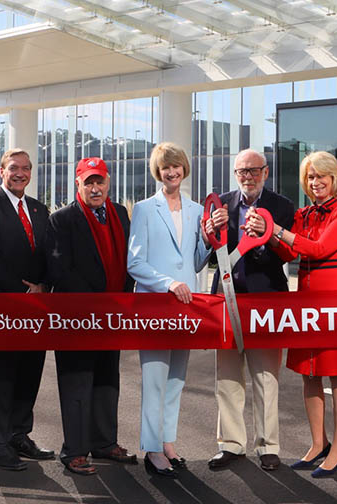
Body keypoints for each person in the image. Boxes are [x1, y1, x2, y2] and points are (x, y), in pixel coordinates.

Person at [258, 151, 337, 478]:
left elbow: (318, 249)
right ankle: (319, 444)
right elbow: (289, 251)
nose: (316, 182)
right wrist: (264, 233)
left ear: (335, 178)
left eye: (322, 176)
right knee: (310, 371)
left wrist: (276, 229)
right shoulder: (303, 213)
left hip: (336, 298)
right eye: (311, 177)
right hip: (306, 298)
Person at [204, 150, 295, 472]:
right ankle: (230, 444)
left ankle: (268, 446)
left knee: (266, 377)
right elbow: (210, 255)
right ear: (234, 173)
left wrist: (267, 236)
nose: (248, 177)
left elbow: (287, 255)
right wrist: (209, 234)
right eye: (242, 171)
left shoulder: (282, 205)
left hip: (266, 300)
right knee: (227, 377)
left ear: (266, 172)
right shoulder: (220, 204)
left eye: (254, 171)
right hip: (226, 301)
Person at [128, 142, 211, 479]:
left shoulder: (195, 210)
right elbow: (135, 262)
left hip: (186, 306)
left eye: (176, 166)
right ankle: (151, 448)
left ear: (184, 169)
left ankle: (168, 441)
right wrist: (167, 283)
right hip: (156, 304)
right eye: (165, 168)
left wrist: (207, 239)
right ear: (158, 172)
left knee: (176, 379)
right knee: (155, 379)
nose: (171, 172)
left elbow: (194, 261)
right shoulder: (146, 209)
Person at [48, 157, 136, 476]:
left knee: (106, 380)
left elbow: (129, 261)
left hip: (112, 316)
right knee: (76, 384)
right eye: (88, 182)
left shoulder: (121, 216)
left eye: (99, 181)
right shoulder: (62, 219)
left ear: (108, 182)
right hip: (77, 318)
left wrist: (122, 300)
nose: (95, 188)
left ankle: (104, 442)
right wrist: (96, 303)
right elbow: (59, 269)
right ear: (78, 185)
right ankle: (74, 451)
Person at [0, 148, 55, 471]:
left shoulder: (38, 208)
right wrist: (25, 290)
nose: (20, 173)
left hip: (36, 309)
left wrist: (44, 286)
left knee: (31, 372)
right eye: (13, 168)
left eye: (26, 168)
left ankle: (21, 434)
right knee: (5, 375)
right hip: (6, 308)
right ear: (1, 171)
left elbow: (50, 253)